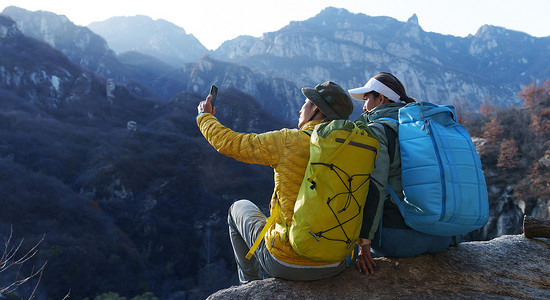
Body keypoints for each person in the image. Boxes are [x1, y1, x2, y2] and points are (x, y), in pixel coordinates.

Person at [197, 81, 354, 284]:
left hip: (287, 262)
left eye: (305, 103)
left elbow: (232, 143)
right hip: (337, 261)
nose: (300, 108)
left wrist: (205, 118)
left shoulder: (289, 141)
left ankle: (249, 286)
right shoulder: (353, 147)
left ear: (316, 108)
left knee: (237, 208)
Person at [348, 72, 451, 275]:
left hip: (400, 240)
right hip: (442, 237)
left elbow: (374, 188)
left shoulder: (378, 130)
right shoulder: (424, 125)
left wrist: (364, 244)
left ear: (382, 98)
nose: (364, 106)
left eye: (367, 98)